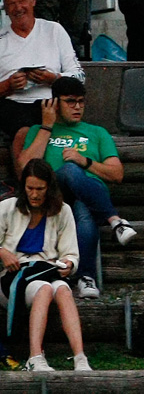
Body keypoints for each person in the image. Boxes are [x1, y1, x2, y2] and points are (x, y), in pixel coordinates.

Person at [16, 77, 137, 300]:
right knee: (69, 170)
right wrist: (47, 125)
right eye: (70, 101)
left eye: (81, 101)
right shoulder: (38, 130)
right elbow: (26, 168)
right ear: (54, 103)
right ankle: (115, 221)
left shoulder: (97, 132)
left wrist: (86, 162)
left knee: (83, 209)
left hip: (87, 197)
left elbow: (117, 174)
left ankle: (85, 278)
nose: (78, 107)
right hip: (53, 197)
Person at [0, 159, 91, 371]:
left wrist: (69, 264)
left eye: (40, 189)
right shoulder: (6, 208)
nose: (34, 194)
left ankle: (80, 357)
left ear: (49, 188)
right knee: (44, 288)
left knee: (63, 289)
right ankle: (35, 357)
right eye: (30, 188)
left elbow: (70, 253)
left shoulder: (63, 211)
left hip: (47, 270)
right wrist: (3, 252)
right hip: (10, 276)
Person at [0, 0, 85, 151]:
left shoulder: (54, 30)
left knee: (56, 129)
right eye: (11, 4)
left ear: (33, 0)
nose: (18, 8)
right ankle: (28, 177)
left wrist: (54, 79)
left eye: (22, 1)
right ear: (5, 10)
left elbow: (80, 77)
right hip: (12, 104)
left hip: (52, 102)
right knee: (24, 134)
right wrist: (8, 85)